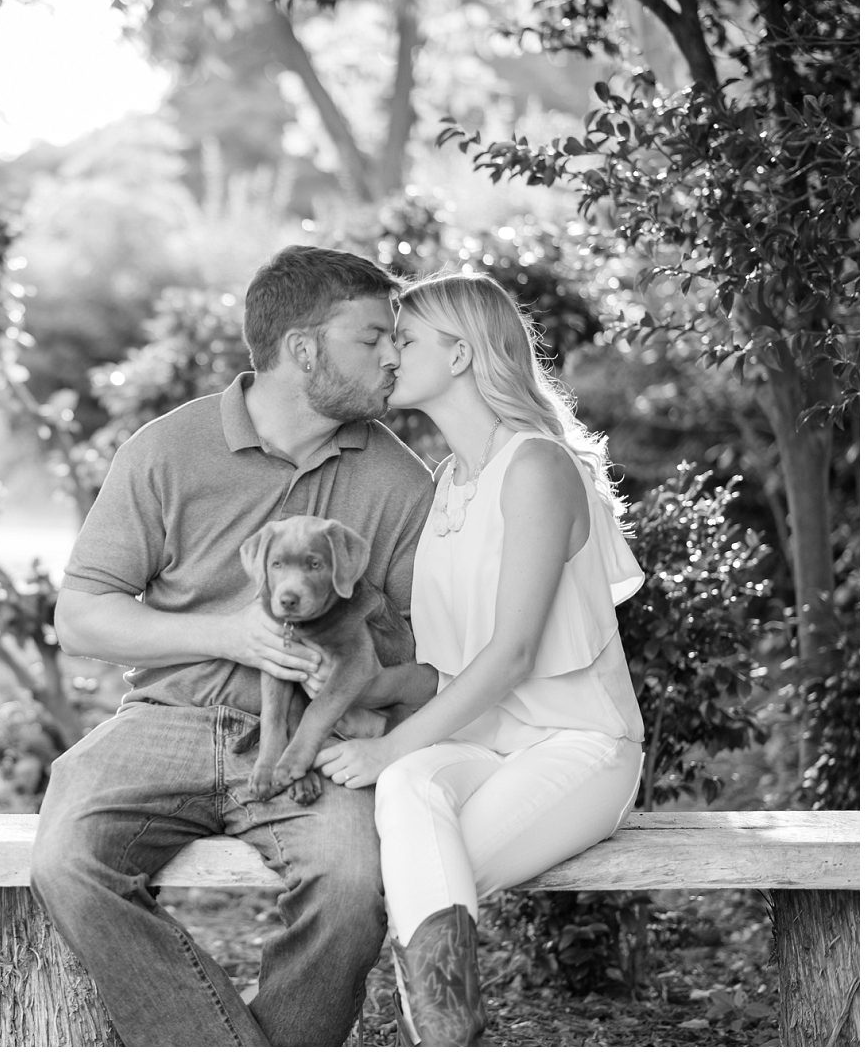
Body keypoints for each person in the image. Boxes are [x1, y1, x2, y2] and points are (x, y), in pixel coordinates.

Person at [32, 245, 437, 1046]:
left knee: (352, 887)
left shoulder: (398, 481)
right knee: (67, 862)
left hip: (316, 742)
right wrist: (227, 633)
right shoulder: (166, 448)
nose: (396, 354)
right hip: (167, 719)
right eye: (372, 337)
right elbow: (79, 616)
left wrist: (364, 692)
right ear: (303, 348)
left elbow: (433, 649)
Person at [315, 272, 646, 1045]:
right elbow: (447, 665)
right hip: (485, 747)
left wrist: (390, 742)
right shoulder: (449, 481)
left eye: (406, 338)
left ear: (461, 354)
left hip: (580, 748)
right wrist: (346, 689)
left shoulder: (534, 466)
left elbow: (515, 651)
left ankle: (441, 1036)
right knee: (408, 786)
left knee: (409, 862)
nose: (390, 354)